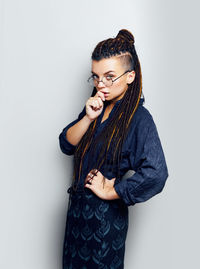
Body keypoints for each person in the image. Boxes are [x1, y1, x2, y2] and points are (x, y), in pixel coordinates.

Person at [58, 29, 169, 269]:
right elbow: (66, 143)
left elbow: (157, 172)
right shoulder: (96, 108)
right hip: (76, 218)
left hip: (104, 223)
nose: (101, 84)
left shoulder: (139, 118)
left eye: (109, 76)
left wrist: (112, 190)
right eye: (96, 77)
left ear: (130, 76)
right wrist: (88, 118)